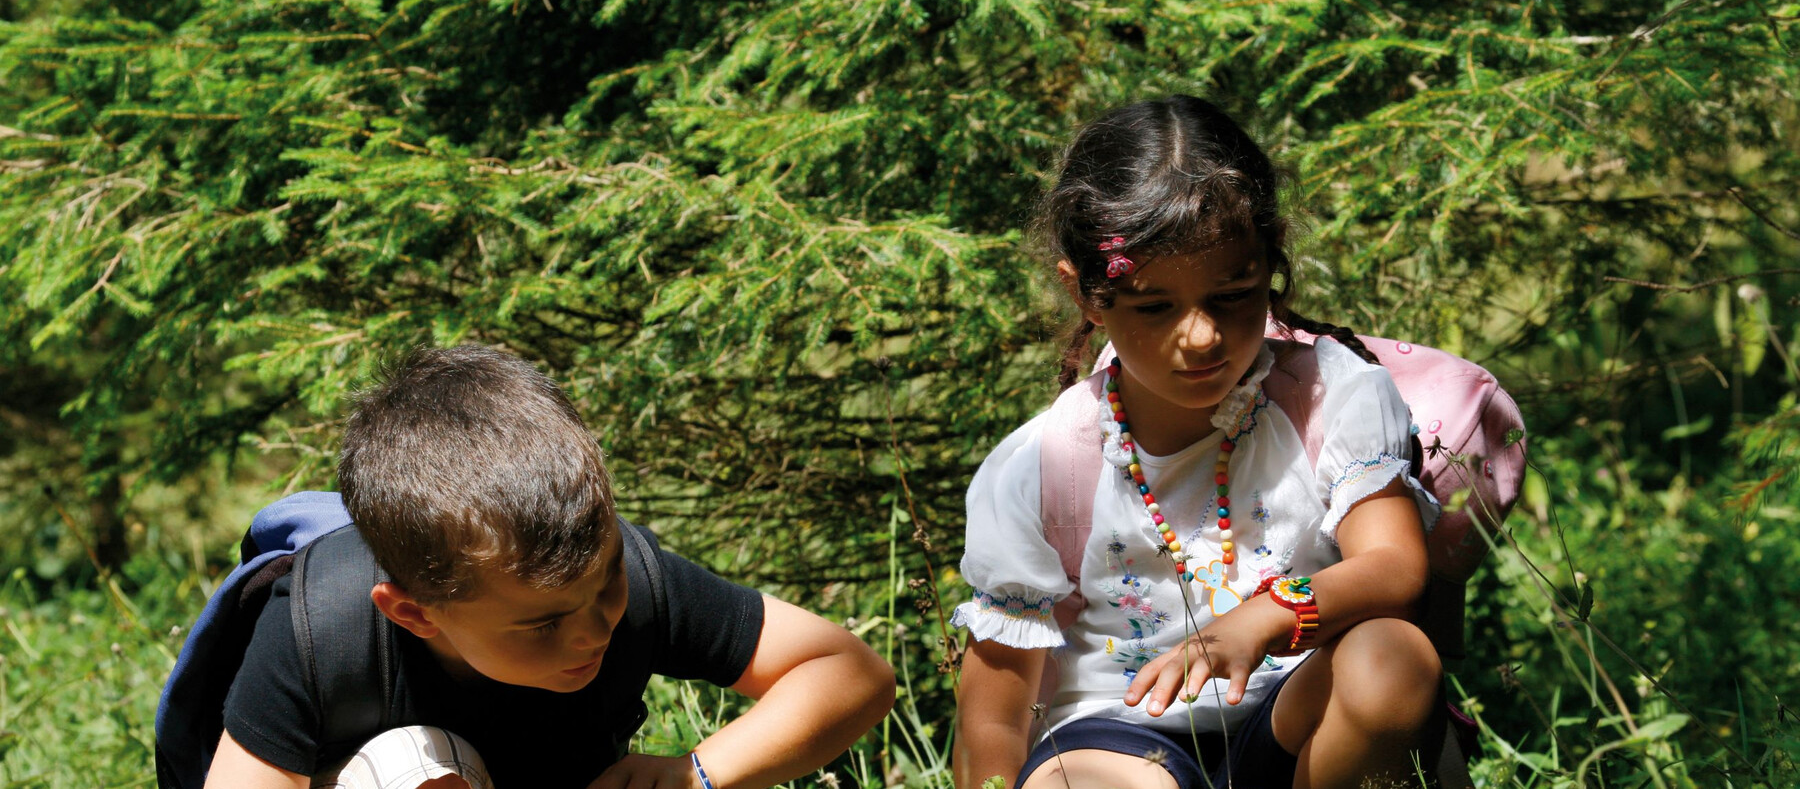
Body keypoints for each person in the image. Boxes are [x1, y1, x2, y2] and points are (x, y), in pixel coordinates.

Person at [951, 96, 1444, 789]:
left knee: (1392, 657)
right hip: (1114, 737)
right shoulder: (1040, 464)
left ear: (1269, 257)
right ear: (1087, 294)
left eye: (1234, 294)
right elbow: (993, 714)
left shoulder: (1335, 397)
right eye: (1156, 307)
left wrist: (1265, 618)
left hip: (1296, 720)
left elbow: (1395, 567)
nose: (1204, 336)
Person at [206, 345, 895, 789]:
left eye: (609, 582)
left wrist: (698, 774)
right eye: (540, 626)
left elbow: (851, 674)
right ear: (413, 613)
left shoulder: (615, 575)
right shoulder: (321, 630)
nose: (593, 631)